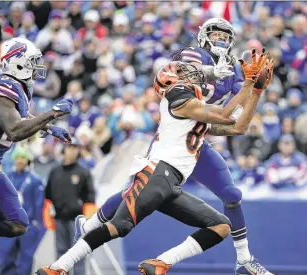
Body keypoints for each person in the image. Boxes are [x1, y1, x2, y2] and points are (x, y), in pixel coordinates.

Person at [36, 49, 272, 275]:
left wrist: (257, 92)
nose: (193, 76)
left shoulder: (195, 110)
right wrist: (249, 84)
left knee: (221, 226)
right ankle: (58, 266)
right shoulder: (177, 97)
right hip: (157, 174)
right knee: (120, 227)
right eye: (184, 74)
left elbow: (239, 126)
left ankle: (161, 263)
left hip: (170, 183)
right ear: (171, 82)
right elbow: (222, 114)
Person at [0, 37, 73, 245]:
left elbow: (22, 117)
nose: (36, 67)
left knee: (17, 224)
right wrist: (53, 112)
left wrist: (48, 128)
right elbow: (14, 130)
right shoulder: (3, 89)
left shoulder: (15, 87)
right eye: (32, 62)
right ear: (17, 62)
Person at [44, 138, 96, 275]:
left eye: (75, 147)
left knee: (78, 254)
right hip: (59, 219)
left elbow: (90, 198)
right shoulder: (55, 172)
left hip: (77, 222)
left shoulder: (83, 172)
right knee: (60, 254)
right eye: (70, 147)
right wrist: (49, 216)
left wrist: (88, 222)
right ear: (64, 149)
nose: (72, 150)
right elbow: (48, 196)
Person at [0, 146, 44, 275]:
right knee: (7, 256)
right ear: (14, 159)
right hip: (10, 224)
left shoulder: (35, 180)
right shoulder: (8, 177)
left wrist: (36, 223)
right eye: (18, 157)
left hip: (28, 225)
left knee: (26, 258)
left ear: (27, 160)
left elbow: (39, 203)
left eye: (23, 158)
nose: (20, 161)